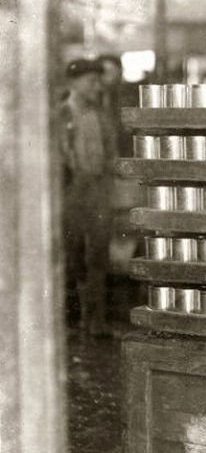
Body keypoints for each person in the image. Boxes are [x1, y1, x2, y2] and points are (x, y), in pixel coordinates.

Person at [57, 58, 117, 335]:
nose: (97, 86)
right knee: (70, 256)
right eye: (91, 81)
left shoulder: (101, 115)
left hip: (98, 192)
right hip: (70, 194)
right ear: (74, 83)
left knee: (98, 256)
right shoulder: (61, 114)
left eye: (97, 80)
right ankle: (68, 322)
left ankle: (96, 321)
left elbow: (110, 152)